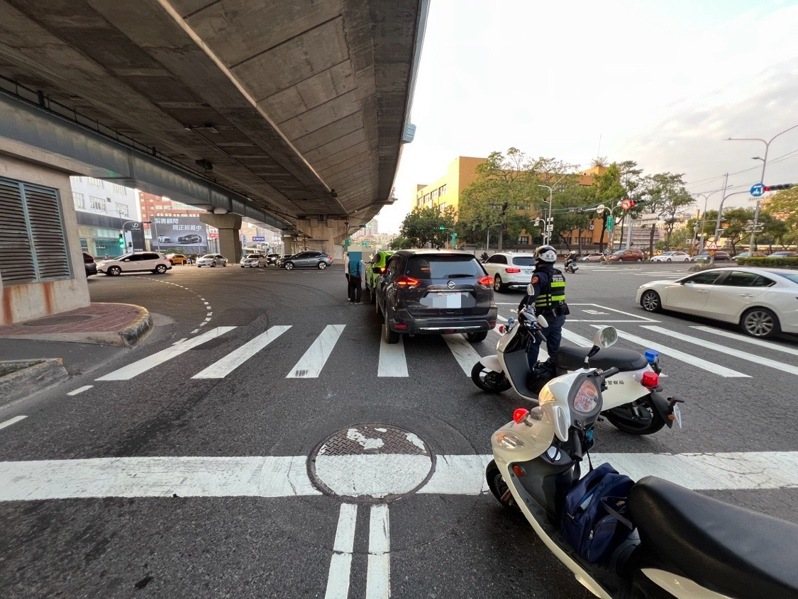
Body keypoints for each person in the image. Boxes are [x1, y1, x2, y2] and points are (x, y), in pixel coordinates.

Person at [518, 244, 569, 374]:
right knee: (554, 347)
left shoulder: (540, 276)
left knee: (534, 343)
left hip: (544, 317)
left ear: (539, 258)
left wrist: (522, 308)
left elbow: (531, 295)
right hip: (559, 316)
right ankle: (557, 372)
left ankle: (529, 374)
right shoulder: (558, 274)